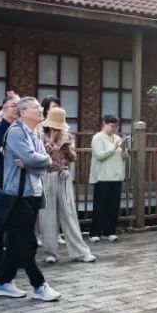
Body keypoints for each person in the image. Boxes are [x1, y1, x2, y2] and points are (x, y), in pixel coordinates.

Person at [0, 96, 61, 301]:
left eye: (40, 107)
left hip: (33, 192)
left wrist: (39, 161)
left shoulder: (34, 132)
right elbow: (33, 158)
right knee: (27, 242)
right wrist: (42, 160)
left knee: (17, 241)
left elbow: (40, 164)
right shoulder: (15, 132)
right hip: (18, 194)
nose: (40, 110)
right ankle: (39, 285)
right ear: (23, 112)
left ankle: (3, 282)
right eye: (35, 107)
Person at [40, 107, 96, 263]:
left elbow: (73, 158)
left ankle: (80, 252)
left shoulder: (67, 136)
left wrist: (67, 150)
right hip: (46, 176)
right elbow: (40, 156)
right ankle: (50, 253)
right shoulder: (41, 136)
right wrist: (51, 141)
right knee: (47, 215)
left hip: (63, 175)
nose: (57, 129)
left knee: (69, 213)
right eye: (54, 126)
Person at [0, 94, 20, 274]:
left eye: (19, 105)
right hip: (1, 180)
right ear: (4, 109)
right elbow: (3, 151)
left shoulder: (19, 128)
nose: (17, 108)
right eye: (13, 105)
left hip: (16, 181)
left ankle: (13, 260)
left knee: (15, 224)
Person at [89, 114, 125, 242]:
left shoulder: (118, 138)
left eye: (116, 127)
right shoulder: (97, 137)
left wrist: (124, 150)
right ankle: (95, 233)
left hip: (116, 176)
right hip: (102, 176)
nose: (114, 129)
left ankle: (109, 231)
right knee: (100, 205)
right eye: (111, 126)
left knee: (113, 206)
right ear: (104, 123)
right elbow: (99, 155)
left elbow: (123, 157)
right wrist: (114, 148)